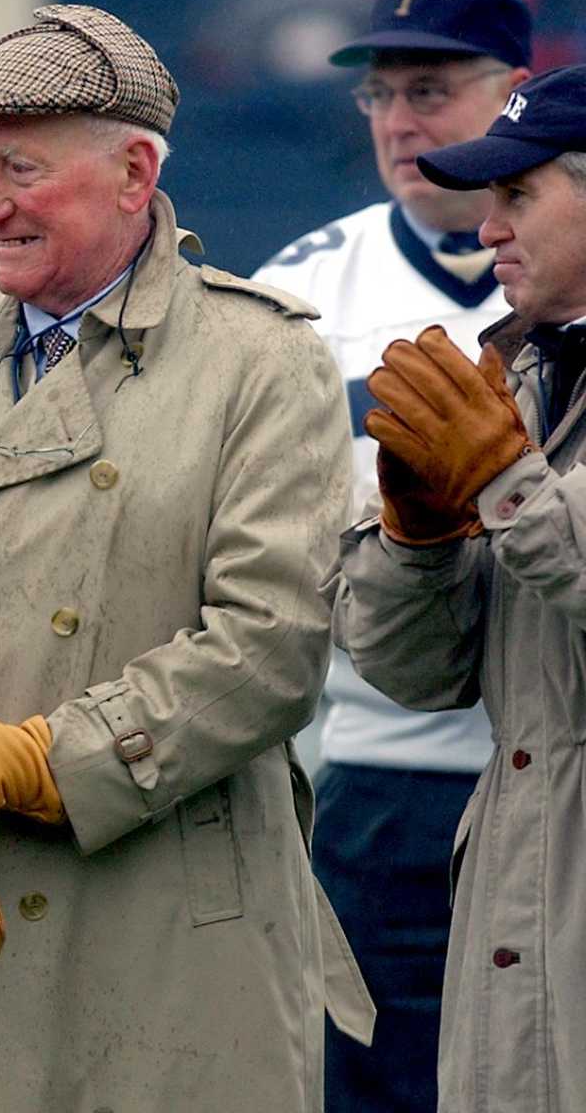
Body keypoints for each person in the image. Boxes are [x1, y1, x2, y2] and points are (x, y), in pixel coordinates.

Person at [0, 4, 373, 1110]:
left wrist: (47, 761)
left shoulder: (259, 360)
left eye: (18, 170)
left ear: (134, 173)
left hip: (164, 936)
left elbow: (269, 647)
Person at [249, 0, 531, 1113]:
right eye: (379, 95)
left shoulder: (560, 277)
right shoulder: (300, 294)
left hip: (552, 759)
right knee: (377, 1083)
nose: (402, 120)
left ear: (513, 91)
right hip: (377, 771)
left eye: (431, 87)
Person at [330, 62, 586, 1112]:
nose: (486, 231)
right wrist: (416, 538)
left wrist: (502, 484)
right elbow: (414, 671)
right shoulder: (523, 371)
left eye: (516, 195)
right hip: (515, 861)